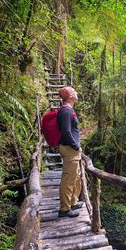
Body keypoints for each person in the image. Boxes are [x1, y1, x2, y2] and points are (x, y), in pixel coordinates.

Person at [57, 86, 83, 217]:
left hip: (71, 149)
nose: (76, 92)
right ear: (70, 96)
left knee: (76, 176)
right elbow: (66, 132)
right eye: (74, 91)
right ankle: (64, 209)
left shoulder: (68, 109)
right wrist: (76, 146)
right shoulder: (66, 110)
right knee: (68, 178)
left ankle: (73, 201)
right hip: (70, 149)